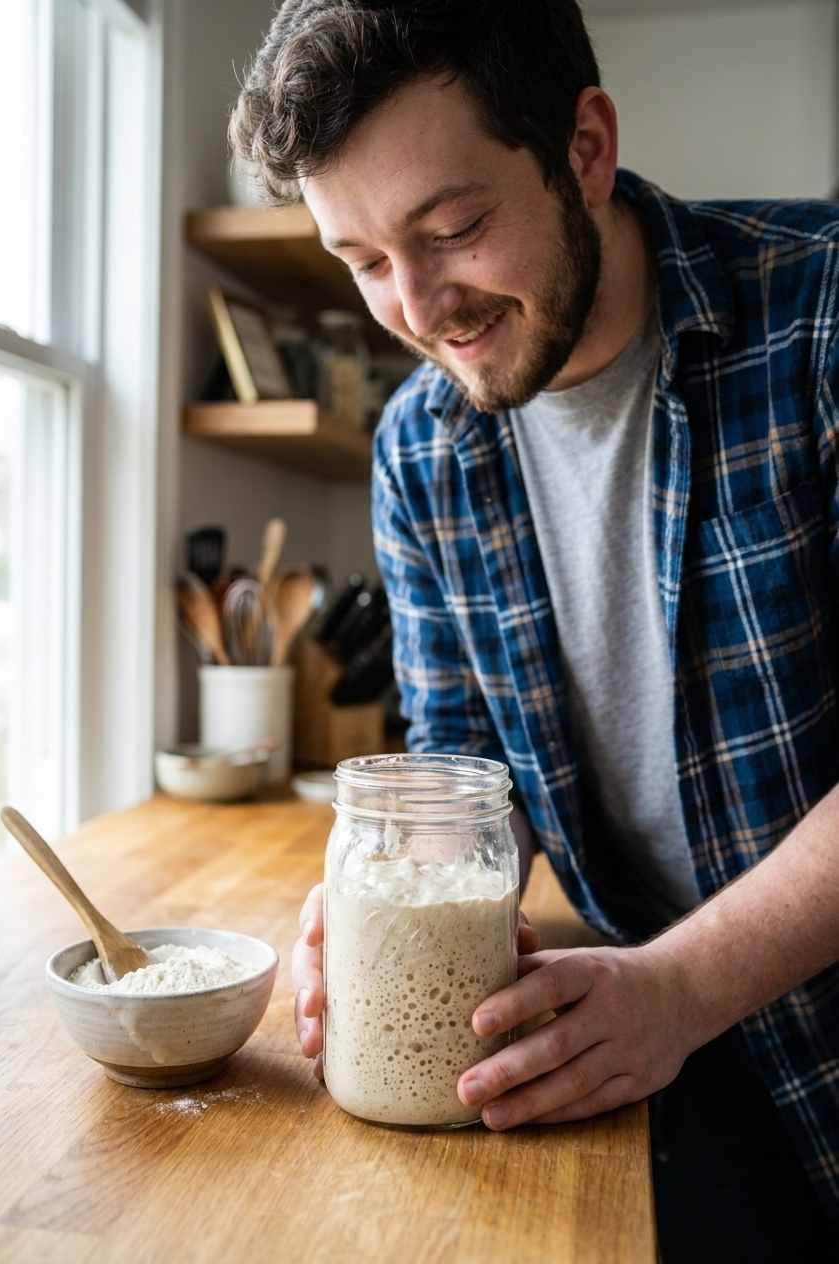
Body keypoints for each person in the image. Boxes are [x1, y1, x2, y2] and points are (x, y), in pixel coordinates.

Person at [231, 2, 839, 1258]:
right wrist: (393, 886)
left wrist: (679, 987)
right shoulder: (421, 448)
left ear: (587, 148)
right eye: (360, 259)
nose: (418, 307)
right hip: (667, 1046)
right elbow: (469, 778)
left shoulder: (821, 314)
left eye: (451, 229)